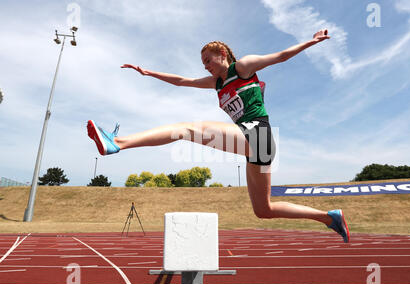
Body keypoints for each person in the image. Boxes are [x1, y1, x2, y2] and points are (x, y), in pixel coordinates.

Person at [87, 29, 350, 243]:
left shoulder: (243, 67)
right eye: (203, 64)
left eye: (208, 61)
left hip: (258, 134)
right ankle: (329, 218)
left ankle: (117, 142)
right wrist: (148, 72)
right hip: (257, 145)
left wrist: (311, 41)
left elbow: (281, 56)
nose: (206, 67)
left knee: (186, 129)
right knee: (263, 210)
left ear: (222, 54)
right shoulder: (216, 83)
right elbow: (182, 81)